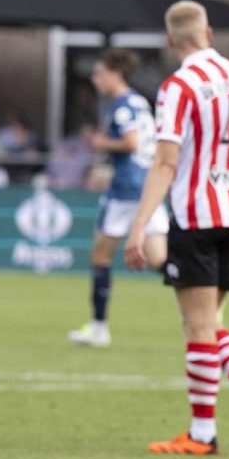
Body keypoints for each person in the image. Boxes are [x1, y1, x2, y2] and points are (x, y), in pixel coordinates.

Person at [124, 0, 229, 456]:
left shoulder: (178, 86)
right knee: (210, 322)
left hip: (196, 216)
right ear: (209, 31)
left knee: (197, 328)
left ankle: (203, 433)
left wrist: (138, 227)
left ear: (172, 40)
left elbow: (166, 160)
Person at [68, 49, 169, 347]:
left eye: (99, 73)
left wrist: (101, 142)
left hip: (126, 189)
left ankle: (99, 328)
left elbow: (132, 142)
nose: (95, 79)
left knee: (100, 256)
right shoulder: (139, 101)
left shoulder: (123, 105)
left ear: (115, 73)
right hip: (148, 186)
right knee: (159, 260)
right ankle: (205, 295)